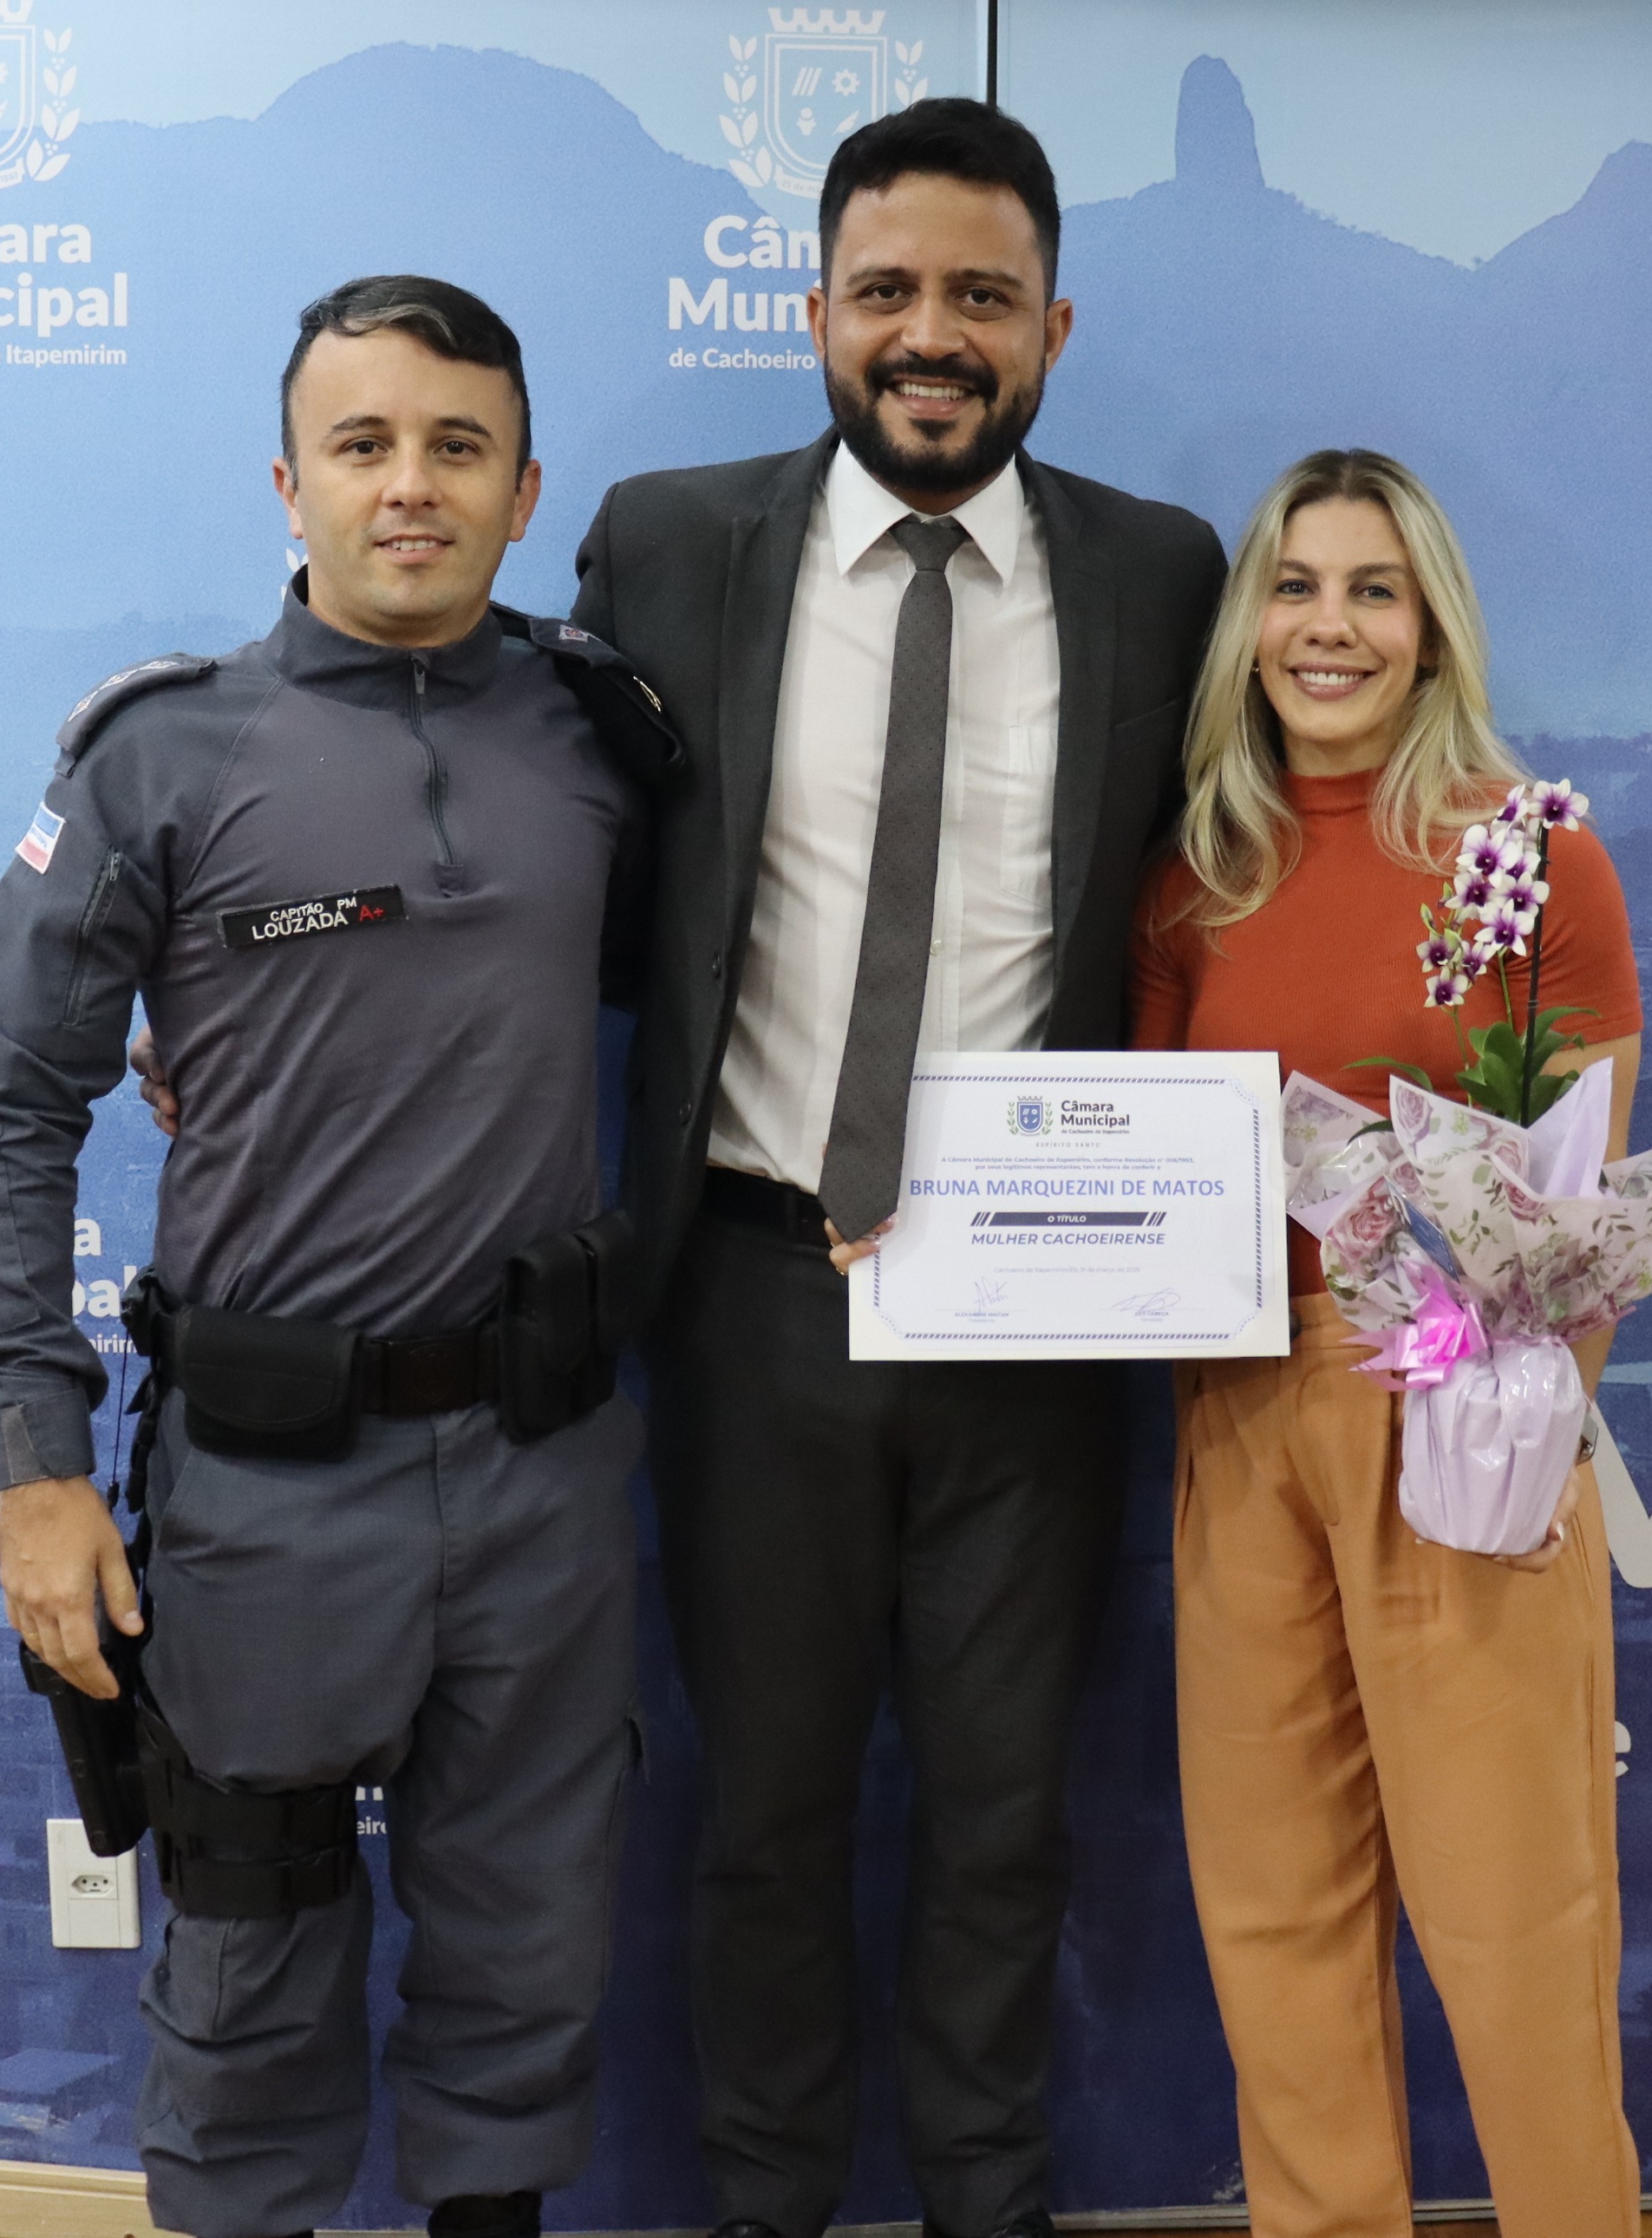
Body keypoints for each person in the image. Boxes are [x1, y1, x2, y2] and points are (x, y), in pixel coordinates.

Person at [0, 274, 673, 2238]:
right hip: (267, 1489)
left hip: (542, 1470)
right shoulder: (160, 757)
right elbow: (7, 1101)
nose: (409, 485)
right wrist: (32, 1468)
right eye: (362, 444)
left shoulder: (607, 739)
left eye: (457, 447)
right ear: (289, 482)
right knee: (247, 1957)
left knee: (526, 1940)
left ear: (525, 492)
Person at [573, 100, 1224, 2238]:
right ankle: (767, 2206)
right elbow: (512, 813)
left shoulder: (1161, 574)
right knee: (763, 1822)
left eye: (978, 296)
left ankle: (983, 2204)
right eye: (886, 292)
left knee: (1005, 1823)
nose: (930, 334)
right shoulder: (670, 544)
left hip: (1040, 1297)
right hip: (755, 1293)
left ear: (1052, 326)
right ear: (816, 314)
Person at [1127, 450, 1646, 2235]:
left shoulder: (1533, 855)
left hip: (1458, 1418)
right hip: (1239, 1416)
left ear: (1431, 627)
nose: (1327, 625)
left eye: (1371, 588)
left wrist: (1530, 1426)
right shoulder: (1192, 876)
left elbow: (1581, 1199)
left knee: (1515, 1923)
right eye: (1293, 585)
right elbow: (1138, 1172)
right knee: (1275, 1910)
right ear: (1246, 625)